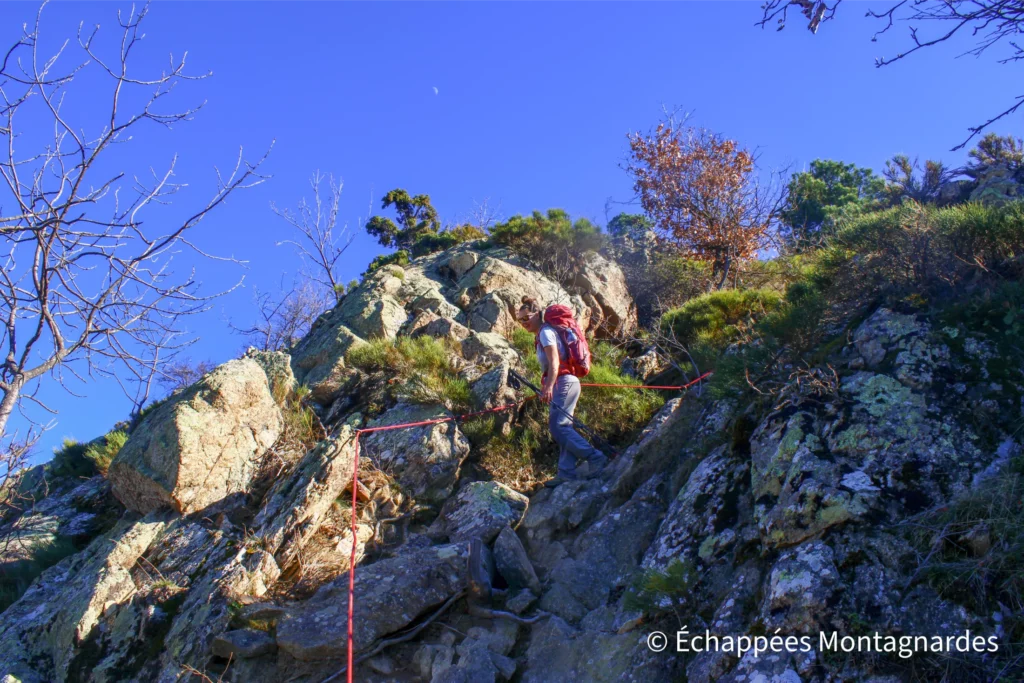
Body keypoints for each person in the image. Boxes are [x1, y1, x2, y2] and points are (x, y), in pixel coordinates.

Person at [515, 297, 608, 487]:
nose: (523, 324)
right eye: (520, 320)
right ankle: (566, 473)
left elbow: (554, 362)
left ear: (537, 315)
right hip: (565, 383)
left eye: (526, 318)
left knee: (558, 427)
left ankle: (595, 457)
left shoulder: (545, 332)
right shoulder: (545, 332)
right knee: (564, 426)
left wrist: (548, 387)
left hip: (564, 382)